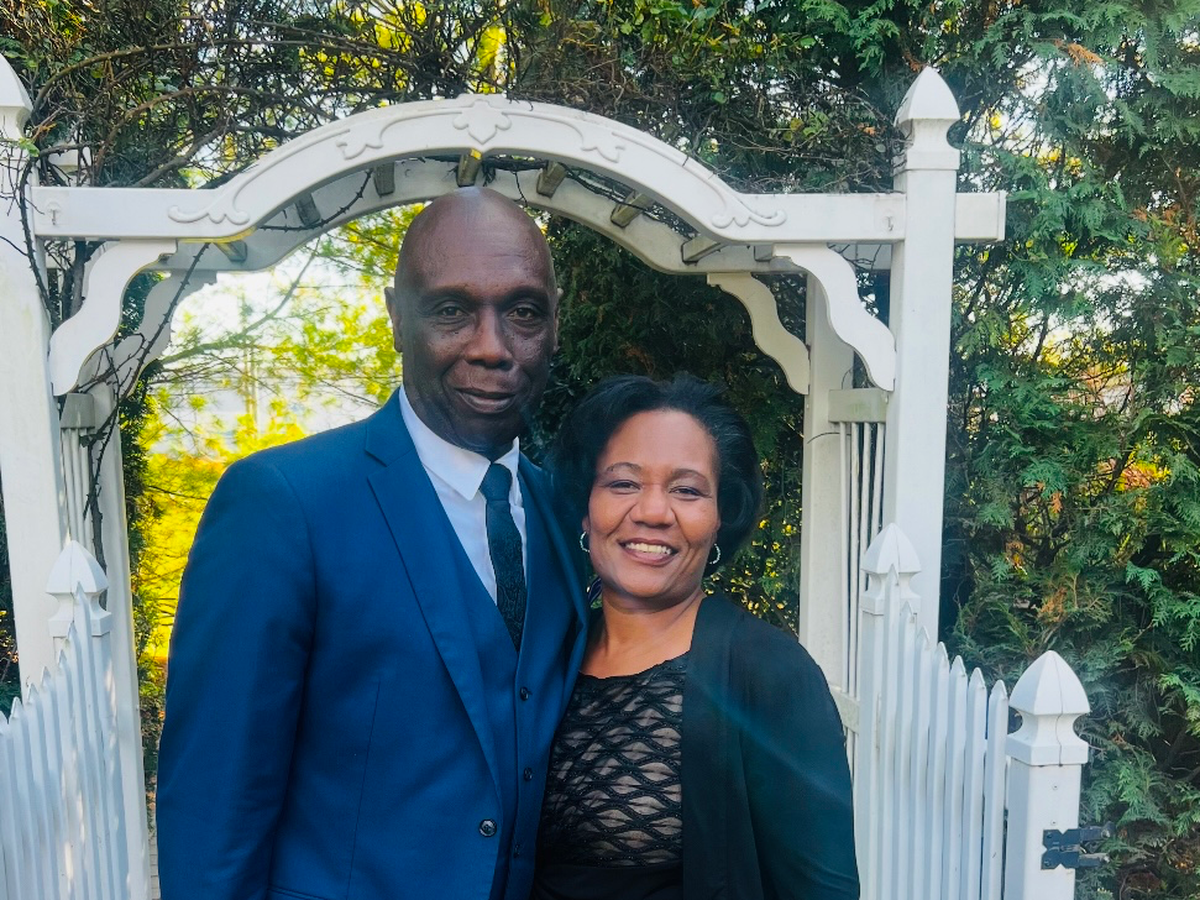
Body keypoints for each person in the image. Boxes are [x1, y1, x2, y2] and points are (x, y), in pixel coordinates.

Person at [156, 187, 588, 900]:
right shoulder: (283, 504)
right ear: (396, 318)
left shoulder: (568, 518)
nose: (491, 347)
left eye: (522, 312)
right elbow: (214, 806)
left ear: (554, 324)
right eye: (451, 311)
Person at [535, 374, 859, 900]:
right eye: (623, 483)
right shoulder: (546, 654)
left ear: (718, 519)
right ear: (585, 508)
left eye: (686, 490)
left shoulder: (769, 673)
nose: (652, 512)